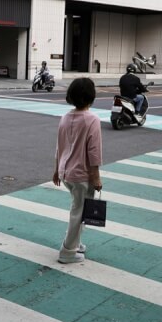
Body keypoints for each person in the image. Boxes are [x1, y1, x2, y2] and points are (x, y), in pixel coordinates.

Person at [52, 78, 103, 264]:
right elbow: (94, 151)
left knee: (78, 209)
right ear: (91, 97)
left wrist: (56, 169)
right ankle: (67, 251)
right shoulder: (92, 120)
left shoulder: (65, 117)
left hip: (66, 172)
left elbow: (59, 145)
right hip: (82, 175)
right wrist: (96, 177)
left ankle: (75, 243)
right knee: (79, 212)